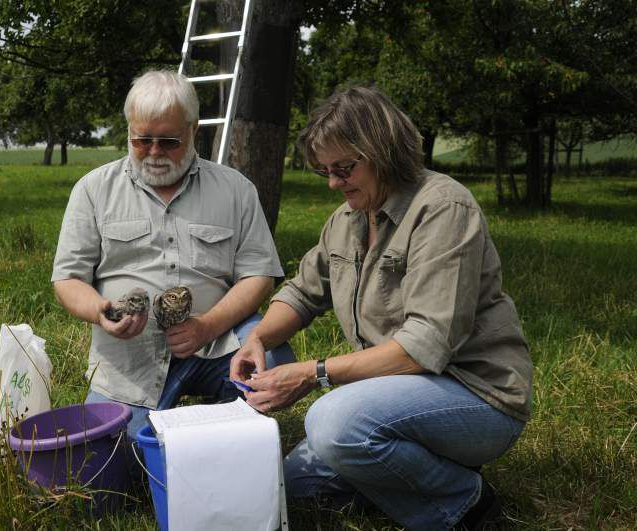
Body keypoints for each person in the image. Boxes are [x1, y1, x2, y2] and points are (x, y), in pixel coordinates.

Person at [230, 85, 533, 531]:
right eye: (324, 172)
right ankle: (410, 465)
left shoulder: (442, 208)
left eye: (344, 168)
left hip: (473, 394)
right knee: (293, 485)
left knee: (333, 424)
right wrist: (258, 338)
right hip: (394, 392)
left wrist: (312, 374)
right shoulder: (347, 218)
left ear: (383, 149)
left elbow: (422, 348)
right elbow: (302, 292)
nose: (334, 183)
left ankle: (463, 503)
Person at [52, 70, 294, 440]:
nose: (153, 152)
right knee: (120, 456)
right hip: (131, 360)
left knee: (272, 364)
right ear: (129, 130)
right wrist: (100, 313)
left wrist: (206, 327)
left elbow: (258, 275)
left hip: (218, 344)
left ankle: (227, 431)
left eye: (168, 141)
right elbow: (68, 280)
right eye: (141, 140)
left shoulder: (235, 190)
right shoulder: (94, 190)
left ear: (193, 130)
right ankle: (178, 431)